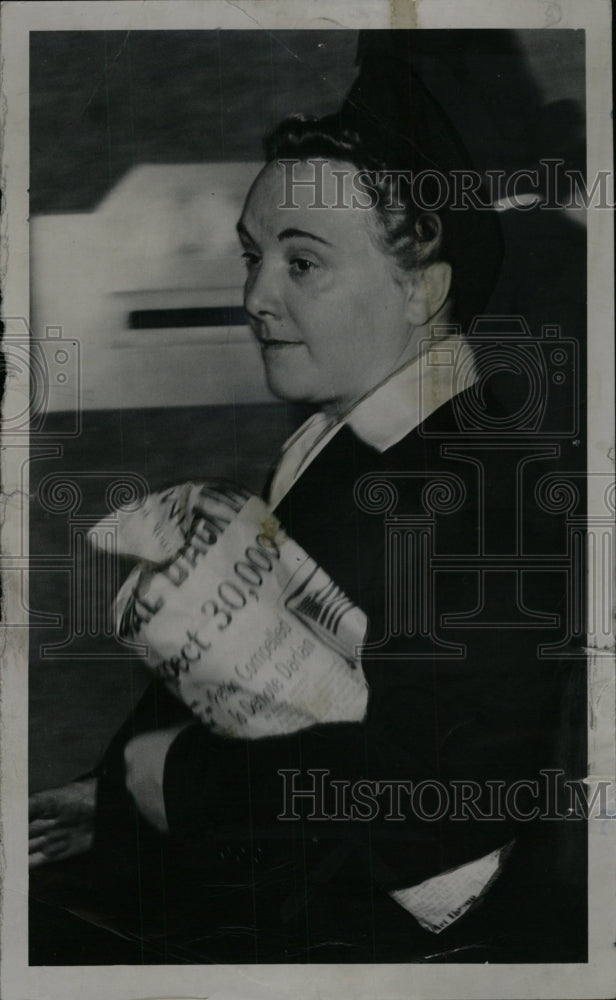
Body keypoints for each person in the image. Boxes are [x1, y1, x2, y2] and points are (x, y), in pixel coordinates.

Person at [29, 110, 586, 964]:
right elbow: (244, 649)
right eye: (255, 258)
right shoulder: (341, 437)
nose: (256, 297)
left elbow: (437, 801)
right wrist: (103, 793)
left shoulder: (488, 491)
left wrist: (173, 783)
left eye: (302, 262)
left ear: (421, 290)